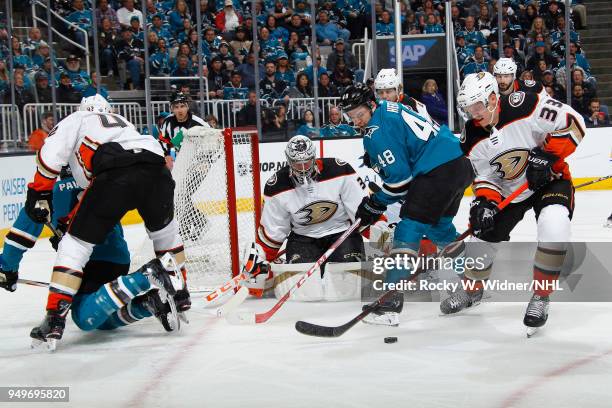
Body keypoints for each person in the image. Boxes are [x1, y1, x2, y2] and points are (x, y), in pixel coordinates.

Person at [21, 94, 187, 348]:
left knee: (73, 245)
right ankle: (179, 292)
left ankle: (54, 318)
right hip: (157, 171)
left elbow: (50, 153)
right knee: (166, 234)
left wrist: (39, 191)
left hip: (115, 176)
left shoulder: (77, 118)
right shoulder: (123, 123)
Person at [453, 72, 586, 335]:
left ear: (493, 98)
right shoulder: (470, 137)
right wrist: (485, 203)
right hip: (509, 191)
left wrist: (547, 155)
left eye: (477, 107)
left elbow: (575, 124)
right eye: (468, 110)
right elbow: (485, 176)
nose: (473, 114)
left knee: (554, 226)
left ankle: (541, 296)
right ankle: (472, 291)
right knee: (482, 239)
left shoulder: (526, 104)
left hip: (550, 180)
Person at [0, 166, 180, 351]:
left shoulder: (50, 193)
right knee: (100, 317)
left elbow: (20, 237)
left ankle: (145, 275)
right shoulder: (101, 183)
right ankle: (147, 304)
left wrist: (7, 268)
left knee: (84, 319)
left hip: (87, 264)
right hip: (116, 259)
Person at [339, 83, 473, 326]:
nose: (357, 121)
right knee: (439, 229)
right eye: (351, 117)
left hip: (437, 170)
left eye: (359, 115)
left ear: (371, 105)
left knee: (407, 227)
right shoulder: (391, 107)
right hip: (459, 164)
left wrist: (375, 203)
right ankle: (473, 283)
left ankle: (389, 303)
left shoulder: (376, 131)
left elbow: (401, 183)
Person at [241, 135, 371, 296]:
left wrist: (381, 238)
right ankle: (273, 273)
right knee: (303, 292)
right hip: (303, 238)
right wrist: (261, 259)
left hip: (342, 234)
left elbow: (362, 212)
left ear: (314, 157)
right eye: (297, 163)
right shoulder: (276, 185)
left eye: (307, 162)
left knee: (348, 288)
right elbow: (274, 230)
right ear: (288, 161)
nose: (302, 168)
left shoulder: (340, 170)